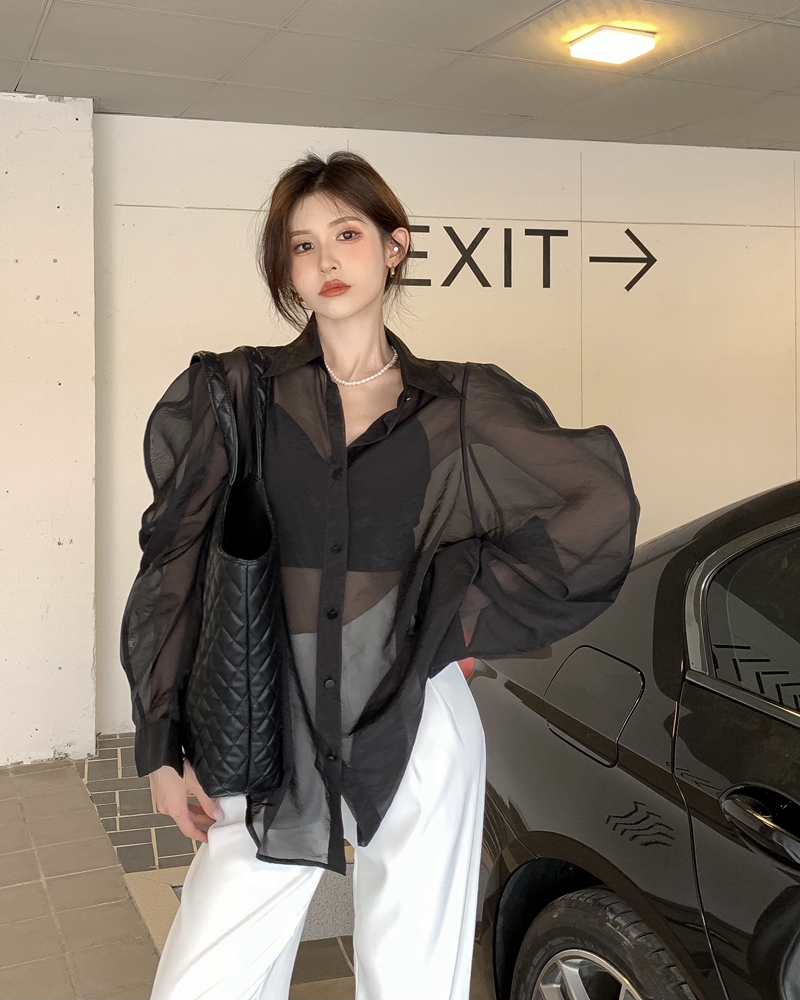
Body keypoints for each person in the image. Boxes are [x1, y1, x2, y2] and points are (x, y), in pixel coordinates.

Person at [119, 150, 639, 1000]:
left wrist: (455, 611)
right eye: (303, 245)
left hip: (415, 719)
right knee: (199, 985)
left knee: (414, 982)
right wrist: (160, 747)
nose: (326, 259)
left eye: (348, 234)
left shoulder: (457, 406)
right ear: (285, 270)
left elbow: (596, 501)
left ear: (394, 247)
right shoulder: (237, 394)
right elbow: (171, 563)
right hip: (267, 722)